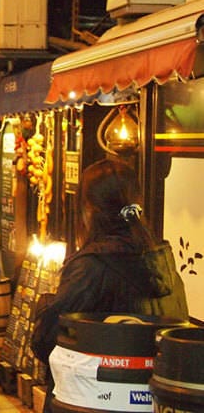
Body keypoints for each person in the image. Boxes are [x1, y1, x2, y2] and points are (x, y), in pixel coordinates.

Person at [31, 158, 188, 412]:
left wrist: (45, 306)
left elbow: (46, 340)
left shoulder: (91, 267)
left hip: (92, 402)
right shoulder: (162, 261)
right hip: (151, 402)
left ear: (89, 209)